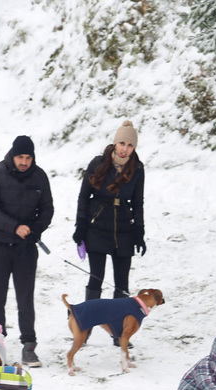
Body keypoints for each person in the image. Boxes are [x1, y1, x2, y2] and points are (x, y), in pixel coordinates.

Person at [0, 134, 54, 367]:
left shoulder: (40, 176)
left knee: (25, 298)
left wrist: (35, 230)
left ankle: (29, 346)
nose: (24, 162)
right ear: (12, 156)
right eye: (20, 157)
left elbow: (47, 209)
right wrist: (15, 227)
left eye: (28, 157)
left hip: (25, 249)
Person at [73, 120, 145, 345]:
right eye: (122, 143)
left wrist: (139, 232)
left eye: (130, 145)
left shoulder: (137, 168)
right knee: (96, 280)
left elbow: (138, 202)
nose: (125, 149)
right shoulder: (98, 163)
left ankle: (119, 333)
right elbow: (84, 196)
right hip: (97, 228)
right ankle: (85, 329)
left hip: (123, 229)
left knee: (121, 285)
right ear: (115, 143)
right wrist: (80, 227)